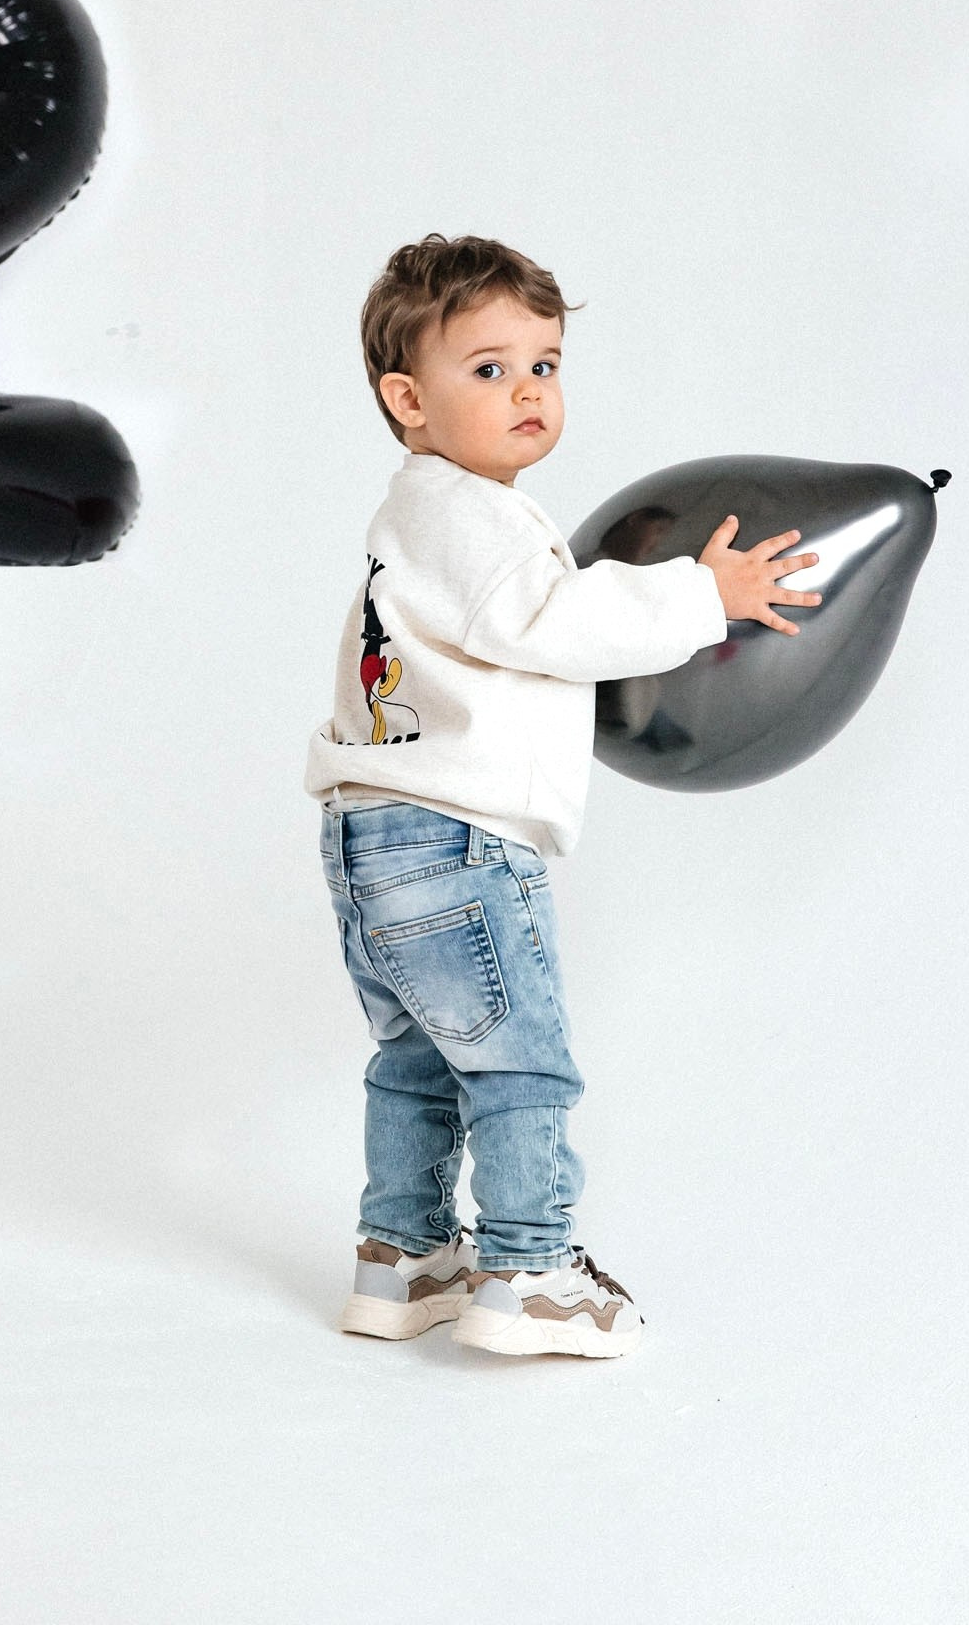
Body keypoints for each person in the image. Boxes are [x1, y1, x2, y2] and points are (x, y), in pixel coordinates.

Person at [306, 235, 821, 1359]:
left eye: (543, 365)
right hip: (455, 839)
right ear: (407, 401)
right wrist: (702, 594)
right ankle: (530, 1272)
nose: (528, 392)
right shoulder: (469, 515)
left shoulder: (416, 522)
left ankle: (401, 1258)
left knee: (417, 1064)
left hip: (368, 836)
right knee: (519, 1065)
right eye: (487, 369)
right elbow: (553, 623)